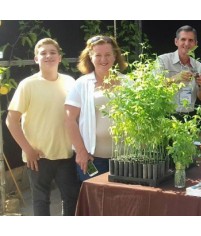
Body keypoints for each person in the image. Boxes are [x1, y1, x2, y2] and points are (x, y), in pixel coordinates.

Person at [6, 38, 79, 216]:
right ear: (36, 59)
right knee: (41, 201)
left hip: (66, 155)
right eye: (43, 53)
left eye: (53, 52)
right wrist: (28, 149)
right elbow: (11, 120)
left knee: (71, 199)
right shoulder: (27, 85)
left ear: (60, 57)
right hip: (38, 157)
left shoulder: (70, 82)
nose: (48, 56)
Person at [65, 35, 127, 182]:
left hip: (124, 158)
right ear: (90, 57)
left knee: (122, 202)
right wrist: (81, 152)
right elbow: (69, 120)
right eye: (98, 55)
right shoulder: (81, 84)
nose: (103, 60)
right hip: (93, 159)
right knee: (97, 202)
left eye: (107, 54)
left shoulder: (128, 83)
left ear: (115, 56)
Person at [157, 25, 201, 116]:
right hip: (165, 115)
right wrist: (175, 78)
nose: (186, 43)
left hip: (188, 117)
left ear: (195, 44)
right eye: (183, 39)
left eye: (190, 40)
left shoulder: (198, 66)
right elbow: (154, 88)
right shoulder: (162, 60)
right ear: (176, 41)